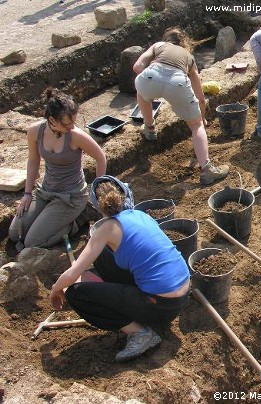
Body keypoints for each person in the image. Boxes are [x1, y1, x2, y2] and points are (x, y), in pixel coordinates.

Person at [49, 175, 191, 362]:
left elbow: (72, 274)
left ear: (97, 205)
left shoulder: (106, 229)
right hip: (182, 293)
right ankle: (130, 305)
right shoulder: (142, 215)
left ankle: (140, 333)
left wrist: (55, 290)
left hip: (159, 306)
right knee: (101, 254)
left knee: (76, 294)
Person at [8, 88, 106, 250]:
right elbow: (33, 160)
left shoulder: (76, 136)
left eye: (73, 122)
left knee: (31, 242)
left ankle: (75, 222)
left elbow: (100, 158)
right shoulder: (35, 131)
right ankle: (55, 221)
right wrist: (26, 194)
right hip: (45, 191)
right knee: (15, 234)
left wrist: (97, 189)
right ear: (52, 120)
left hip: (70, 197)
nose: (72, 126)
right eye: (67, 124)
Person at [133, 26, 229, 185]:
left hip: (150, 76)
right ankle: (207, 169)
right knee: (196, 126)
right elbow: (200, 97)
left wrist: (153, 80)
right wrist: (202, 119)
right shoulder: (188, 57)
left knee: (141, 91)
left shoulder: (158, 46)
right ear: (184, 43)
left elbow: (137, 67)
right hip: (177, 83)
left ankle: (149, 128)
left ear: (167, 40)